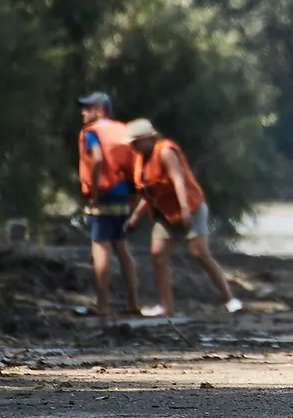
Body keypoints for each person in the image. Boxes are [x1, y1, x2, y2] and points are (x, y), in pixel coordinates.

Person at [123, 119, 242, 318]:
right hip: (164, 213)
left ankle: (230, 299)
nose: (133, 146)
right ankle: (166, 306)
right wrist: (135, 217)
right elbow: (148, 193)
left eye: (136, 142)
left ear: (149, 138)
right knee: (157, 255)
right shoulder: (141, 158)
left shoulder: (165, 150)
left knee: (199, 254)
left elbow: (178, 179)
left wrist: (185, 209)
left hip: (190, 207)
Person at [77, 92, 140, 318]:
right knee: (122, 249)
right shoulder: (123, 131)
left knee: (100, 247)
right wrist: (134, 195)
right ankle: (133, 302)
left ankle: (103, 305)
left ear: (100, 110)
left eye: (87, 108)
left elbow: (98, 159)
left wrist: (94, 192)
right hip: (123, 196)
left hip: (102, 196)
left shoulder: (93, 133)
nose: (83, 112)